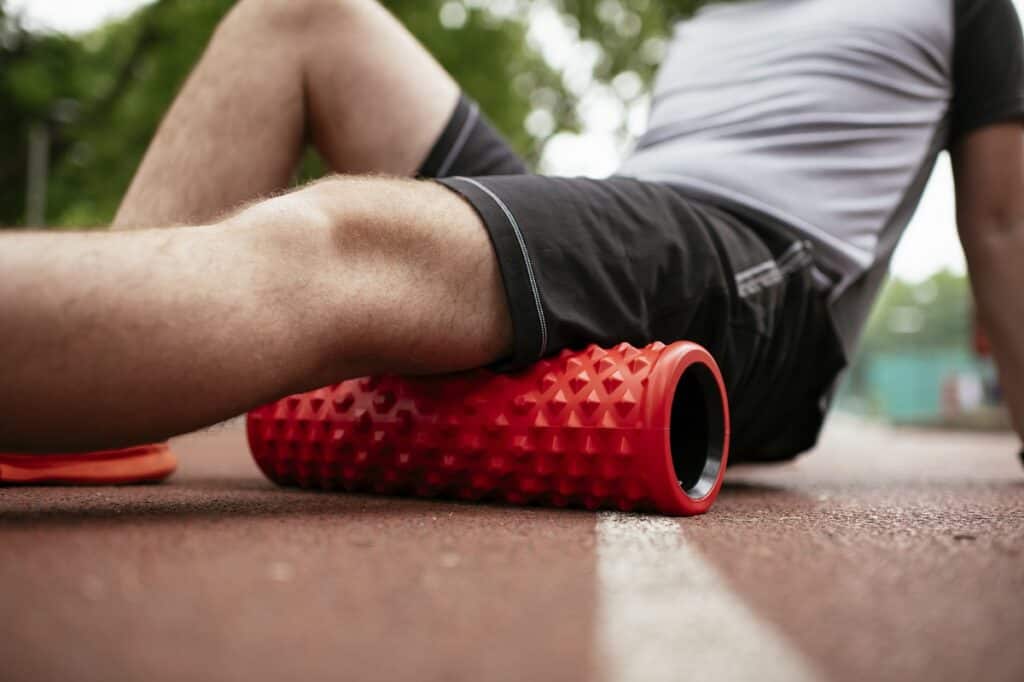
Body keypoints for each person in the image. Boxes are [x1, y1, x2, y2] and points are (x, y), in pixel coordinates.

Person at [1, 0, 1022, 482]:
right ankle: (100, 398)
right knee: (301, 19)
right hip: (647, 213)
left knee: (355, 244)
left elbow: (1002, 222)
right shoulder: (708, 13)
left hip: (762, 275)